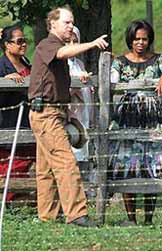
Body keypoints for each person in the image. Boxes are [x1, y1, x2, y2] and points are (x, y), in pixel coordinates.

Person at [28, 5, 108, 227]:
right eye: (67, 22)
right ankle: (77, 215)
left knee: (45, 170)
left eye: (72, 22)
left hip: (51, 112)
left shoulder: (56, 48)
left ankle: (47, 217)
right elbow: (62, 53)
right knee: (66, 163)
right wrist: (92, 44)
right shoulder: (48, 45)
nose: (71, 27)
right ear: (53, 24)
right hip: (46, 114)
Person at [109, 19, 162, 226]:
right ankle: (131, 218)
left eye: (144, 39)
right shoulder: (119, 61)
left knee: (151, 166)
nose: (140, 43)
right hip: (128, 114)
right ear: (130, 39)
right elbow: (112, 79)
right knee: (127, 165)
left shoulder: (158, 59)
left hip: (152, 115)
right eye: (137, 39)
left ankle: (148, 218)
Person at [0, 23, 35, 204]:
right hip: (9, 124)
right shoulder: (1, 67)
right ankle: (9, 203)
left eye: (25, 41)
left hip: (29, 124)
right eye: (19, 41)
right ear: (7, 44)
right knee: (11, 168)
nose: (23, 45)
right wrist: (4, 82)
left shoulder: (26, 63)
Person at [67, 26, 94, 184]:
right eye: (67, 41)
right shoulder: (61, 64)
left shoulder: (79, 64)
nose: (72, 44)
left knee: (83, 153)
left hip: (84, 116)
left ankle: (84, 193)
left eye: (75, 41)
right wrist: (76, 83)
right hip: (71, 117)